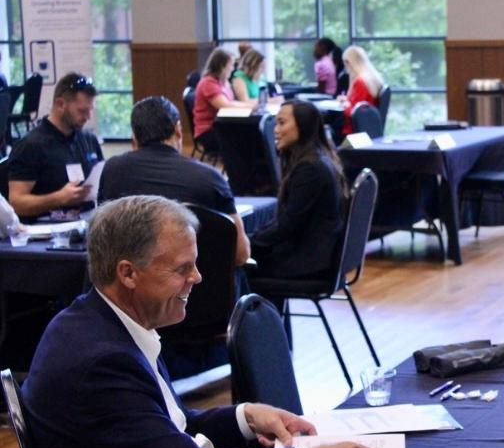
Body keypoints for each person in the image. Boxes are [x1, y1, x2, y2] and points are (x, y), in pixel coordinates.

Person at [22, 195, 390, 448]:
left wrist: (247, 417)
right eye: (182, 268)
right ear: (128, 273)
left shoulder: (100, 322)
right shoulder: (102, 362)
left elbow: (169, 429)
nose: (197, 277)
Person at [99, 96, 251, 266]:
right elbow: (240, 254)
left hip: (134, 286)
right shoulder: (209, 178)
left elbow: (104, 236)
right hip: (200, 287)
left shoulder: (113, 170)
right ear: (178, 130)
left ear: (134, 139)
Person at [251, 100, 346, 278]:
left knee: (235, 264)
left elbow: (287, 226)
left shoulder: (310, 169)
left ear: (303, 126)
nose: (275, 130)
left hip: (308, 263)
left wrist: (247, 243)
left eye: (282, 123)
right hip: (317, 257)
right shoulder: (319, 158)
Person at [8, 72, 103, 220]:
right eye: (82, 111)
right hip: (46, 231)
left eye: (90, 110)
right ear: (60, 104)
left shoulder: (89, 139)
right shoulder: (31, 145)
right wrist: (58, 198)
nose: (88, 117)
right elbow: (16, 202)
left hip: (86, 223)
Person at [192, 48, 256, 154]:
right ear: (222, 67)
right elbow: (225, 106)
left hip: (222, 126)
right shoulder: (208, 83)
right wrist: (250, 106)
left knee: (251, 134)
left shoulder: (223, 82)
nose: (232, 68)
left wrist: (249, 104)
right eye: (230, 65)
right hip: (208, 131)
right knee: (248, 138)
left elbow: (231, 103)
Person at [339, 45, 384, 137]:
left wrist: (344, 104)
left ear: (350, 63)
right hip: (369, 128)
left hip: (355, 132)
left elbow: (354, 113)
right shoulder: (374, 78)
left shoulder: (360, 81)